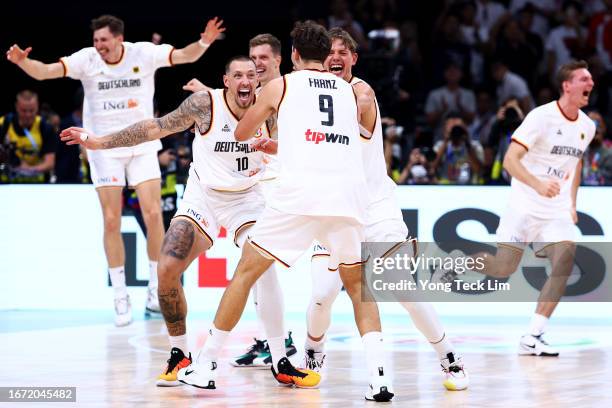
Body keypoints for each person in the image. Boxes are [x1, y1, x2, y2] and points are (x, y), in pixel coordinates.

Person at [176, 20, 394, 402]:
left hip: (299, 199)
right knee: (359, 287)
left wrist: (263, 130)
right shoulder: (349, 90)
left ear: (293, 54)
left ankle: (206, 364)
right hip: (346, 199)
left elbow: (243, 133)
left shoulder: (282, 85)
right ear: (326, 55)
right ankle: (379, 380)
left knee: (245, 273)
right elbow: (328, 141)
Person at [60, 56, 283, 387]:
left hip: (247, 198)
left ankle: (279, 356)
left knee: (261, 266)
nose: (246, 80)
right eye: (238, 75)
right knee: (166, 269)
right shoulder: (204, 105)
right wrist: (99, 141)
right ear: (226, 81)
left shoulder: (271, 106)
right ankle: (180, 354)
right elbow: (154, 127)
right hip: (203, 196)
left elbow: (291, 149)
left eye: (251, 75)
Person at [7, 14, 226, 326]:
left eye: (104, 41)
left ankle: (155, 286)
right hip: (103, 148)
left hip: (141, 144)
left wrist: (205, 40)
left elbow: (185, 55)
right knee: (111, 220)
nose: (99, 46)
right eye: (96, 41)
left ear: (119, 39)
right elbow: (45, 72)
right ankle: (120, 295)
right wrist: (22, 63)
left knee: (153, 215)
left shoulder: (143, 54)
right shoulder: (87, 59)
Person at [301, 27, 469, 391]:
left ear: (353, 59)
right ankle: (312, 353)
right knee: (322, 294)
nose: (336, 57)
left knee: (403, 289)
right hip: (331, 210)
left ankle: (449, 359)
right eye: (329, 51)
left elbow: (355, 111)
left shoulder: (362, 92)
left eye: (343, 52)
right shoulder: (310, 97)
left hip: (375, 208)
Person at [433, 60, 596, 356]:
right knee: (502, 267)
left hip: (555, 210)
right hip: (523, 205)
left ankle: (533, 335)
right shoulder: (541, 117)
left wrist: (572, 203)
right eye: (584, 79)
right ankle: (460, 261)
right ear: (567, 85)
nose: (591, 84)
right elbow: (510, 160)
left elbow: (578, 162)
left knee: (565, 257)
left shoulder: (587, 126)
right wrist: (537, 184)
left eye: (591, 79)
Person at [182, 33, 298, 368]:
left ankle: (277, 342)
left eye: (263, 58)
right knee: (259, 266)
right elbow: (229, 111)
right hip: (261, 184)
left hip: (281, 183)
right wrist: (206, 96)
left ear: (279, 60)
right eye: (252, 58)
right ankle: (271, 341)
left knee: (261, 265)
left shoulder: (287, 92)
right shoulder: (259, 94)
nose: (257, 64)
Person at [0, 90, 57, 183]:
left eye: (31, 110)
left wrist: (27, 170)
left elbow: (50, 163)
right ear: (17, 107)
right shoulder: (3, 124)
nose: (28, 115)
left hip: (36, 184)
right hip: (7, 184)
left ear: (37, 107)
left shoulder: (45, 127)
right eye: (24, 110)